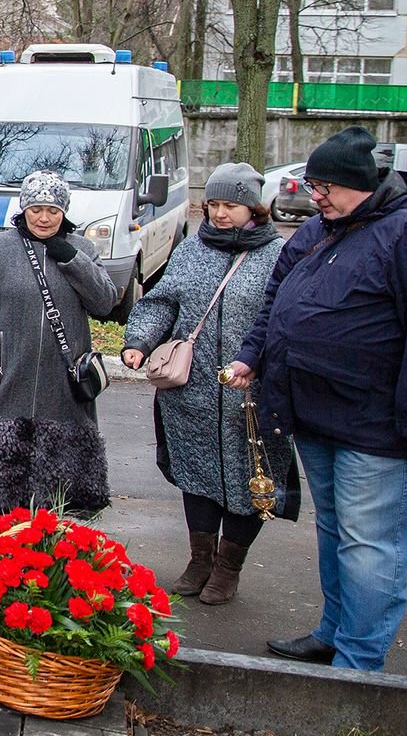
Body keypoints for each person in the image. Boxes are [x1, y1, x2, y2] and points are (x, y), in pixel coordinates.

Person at [227, 125, 407, 672]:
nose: (317, 196)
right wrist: (251, 355)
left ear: (360, 183)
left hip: (377, 427)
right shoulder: (320, 231)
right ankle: (334, 633)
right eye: (313, 185)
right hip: (314, 416)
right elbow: (274, 305)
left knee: (371, 546)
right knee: (336, 533)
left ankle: (359, 665)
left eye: (326, 186)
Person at [123, 163, 294, 606]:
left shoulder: (279, 257)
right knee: (195, 476)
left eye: (231, 206)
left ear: (254, 209)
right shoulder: (190, 250)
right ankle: (200, 560)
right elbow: (161, 302)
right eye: (213, 204)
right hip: (191, 392)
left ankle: (228, 569)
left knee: (248, 481)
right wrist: (139, 342)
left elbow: (289, 321)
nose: (219, 214)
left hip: (251, 397)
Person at [0, 170, 118, 517]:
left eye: (52, 211)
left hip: (63, 383)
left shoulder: (82, 249)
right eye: (36, 210)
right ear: (23, 210)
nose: (44, 218)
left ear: (64, 212)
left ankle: (47, 546)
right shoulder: (0, 249)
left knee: (58, 481)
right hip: (7, 375)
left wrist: (70, 259)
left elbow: (105, 302)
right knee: (0, 474)